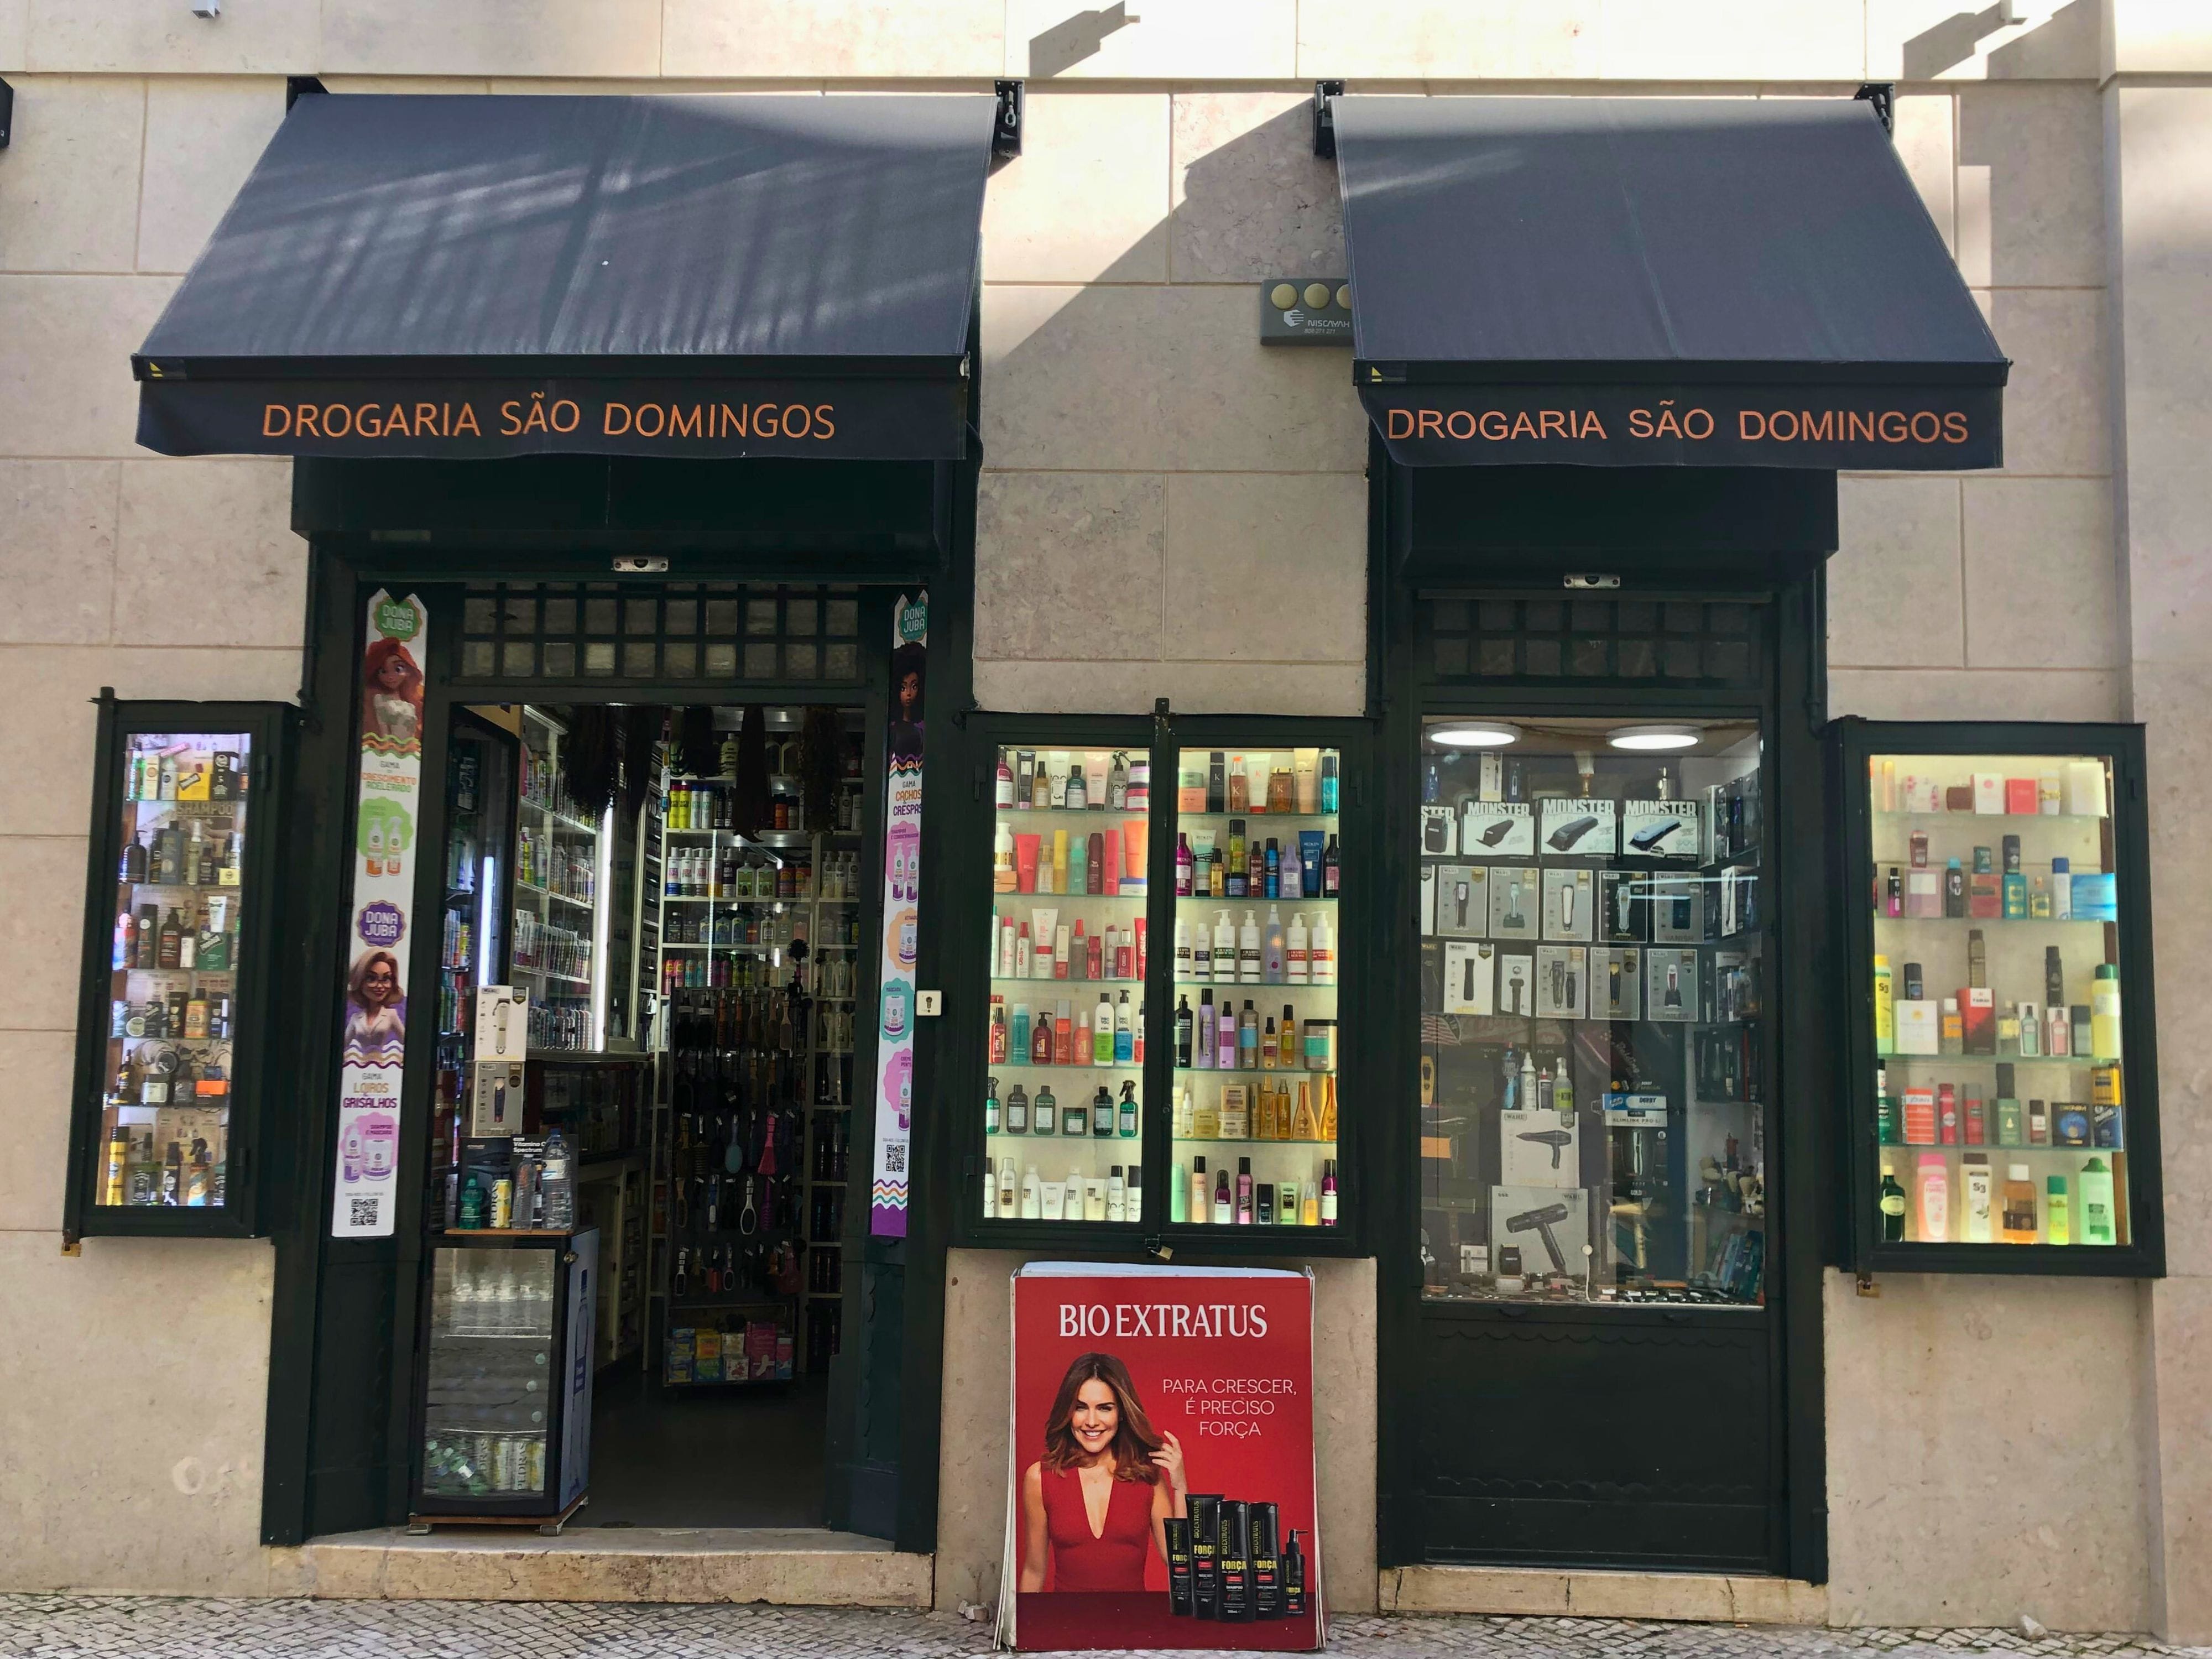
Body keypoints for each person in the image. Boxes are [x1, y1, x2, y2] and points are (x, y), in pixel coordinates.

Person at [1019, 1352, 1187, 1593]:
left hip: (1132, 1616)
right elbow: (1034, 1571)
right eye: (1080, 1408)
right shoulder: (1040, 1478)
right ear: (1068, 1413)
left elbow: (1179, 1562)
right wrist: (1026, 1617)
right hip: (1066, 1616)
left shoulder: (1146, 1476)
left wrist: (1180, 1487)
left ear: (1121, 1413)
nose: (1091, 1421)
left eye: (1104, 1408)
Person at [343, 950, 406, 1061]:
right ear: (359, 982)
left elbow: (406, 1042)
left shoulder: (391, 1015)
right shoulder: (355, 1018)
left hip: (384, 1066)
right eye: (371, 979)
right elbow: (343, 1045)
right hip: (359, 1066)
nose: (380, 986)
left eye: (386, 979)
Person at [361, 637, 423, 744]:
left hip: (411, 749)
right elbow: (383, 732)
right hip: (389, 749)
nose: (390, 677)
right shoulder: (378, 698)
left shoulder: (413, 698)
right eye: (383, 671)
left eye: (398, 669)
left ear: (409, 670)